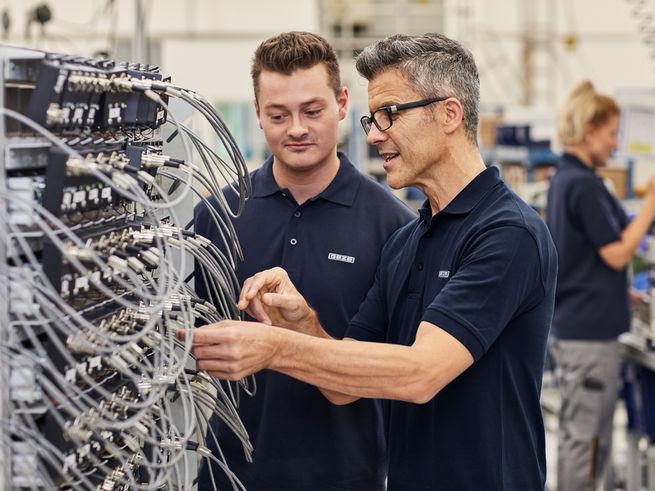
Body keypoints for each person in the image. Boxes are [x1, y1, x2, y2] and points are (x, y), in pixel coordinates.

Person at [182, 33, 558, 490]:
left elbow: (420, 373)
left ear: (449, 114)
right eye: (373, 118)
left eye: (389, 115)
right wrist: (299, 323)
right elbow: (343, 386)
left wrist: (274, 347)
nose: (375, 133)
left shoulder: (507, 233)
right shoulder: (409, 242)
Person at [192, 31, 415, 491]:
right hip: (228, 475)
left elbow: (394, 373)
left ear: (341, 103)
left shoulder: (395, 227)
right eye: (278, 114)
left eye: (312, 111)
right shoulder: (217, 216)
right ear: (257, 113)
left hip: (344, 477)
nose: (296, 128)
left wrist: (302, 332)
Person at [546, 80, 655, 491]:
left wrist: (624, 292)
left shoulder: (567, 179)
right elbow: (616, 253)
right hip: (588, 336)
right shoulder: (582, 184)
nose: (616, 145)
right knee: (587, 441)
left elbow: (584, 257)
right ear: (589, 131)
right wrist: (652, 201)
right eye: (612, 133)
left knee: (582, 438)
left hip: (579, 328)